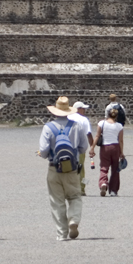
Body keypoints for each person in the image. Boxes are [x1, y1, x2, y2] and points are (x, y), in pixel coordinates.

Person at [38, 96, 88, 240]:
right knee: (75, 197)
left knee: (57, 201)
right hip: (72, 168)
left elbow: (44, 150)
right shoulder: (76, 126)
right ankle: (73, 220)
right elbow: (83, 147)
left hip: (54, 168)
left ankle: (61, 233)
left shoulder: (48, 127)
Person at [96, 107, 125, 196]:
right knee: (115, 169)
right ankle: (113, 190)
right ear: (116, 116)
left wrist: (92, 147)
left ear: (108, 114)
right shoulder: (119, 126)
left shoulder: (101, 123)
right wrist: (121, 152)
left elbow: (97, 136)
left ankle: (103, 183)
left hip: (105, 147)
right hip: (115, 147)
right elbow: (120, 140)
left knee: (104, 167)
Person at [72, 101, 96, 195]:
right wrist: (92, 147)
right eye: (83, 109)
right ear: (78, 109)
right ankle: (81, 188)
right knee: (80, 168)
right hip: (80, 148)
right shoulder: (83, 119)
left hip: (68, 147)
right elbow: (89, 134)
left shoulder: (68, 117)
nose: (84, 110)